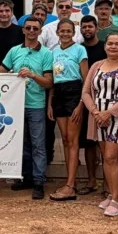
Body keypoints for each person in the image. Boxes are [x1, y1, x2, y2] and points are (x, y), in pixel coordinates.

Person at [82, 32, 118, 217]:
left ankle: (116, 199)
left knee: (111, 156)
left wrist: (110, 112)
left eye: (117, 44)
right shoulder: (97, 65)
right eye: (110, 43)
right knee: (105, 157)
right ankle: (110, 194)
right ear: (105, 46)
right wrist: (95, 112)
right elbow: (86, 92)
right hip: (98, 118)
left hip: (117, 117)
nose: (113, 47)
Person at [0, 17, 54, 200]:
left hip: (36, 105)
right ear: (23, 30)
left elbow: (49, 82)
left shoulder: (46, 53)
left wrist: (32, 75)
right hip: (15, 105)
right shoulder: (14, 51)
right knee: (21, 144)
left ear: (40, 32)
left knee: (38, 144)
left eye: (35, 28)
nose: (31, 31)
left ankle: (39, 181)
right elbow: (0, 73)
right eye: (28, 28)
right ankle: (27, 177)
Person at [47, 19, 88, 201]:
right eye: (62, 31)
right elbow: (53, 80)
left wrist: (81, 103)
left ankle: (70, 186)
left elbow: (86, 79)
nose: (65, 34)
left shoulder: (80, 49)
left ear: (73, 32)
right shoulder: (53, 52)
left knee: (73, 140)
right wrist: (50, 102)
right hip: (58, 94)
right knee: (64, 139)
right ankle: (71, 179)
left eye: (68, 31)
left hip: (74, 92)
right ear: (57, 32)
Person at [78, 14, 105, 193]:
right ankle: (91, 180)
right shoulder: (78, 49)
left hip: (105, 100)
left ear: (96, 28)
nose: (87, 29)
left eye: (90, 26)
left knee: (104, 143)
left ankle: (108, 182)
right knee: (88, 142)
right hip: (85, 100)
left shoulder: (105, 47)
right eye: (84, 27)